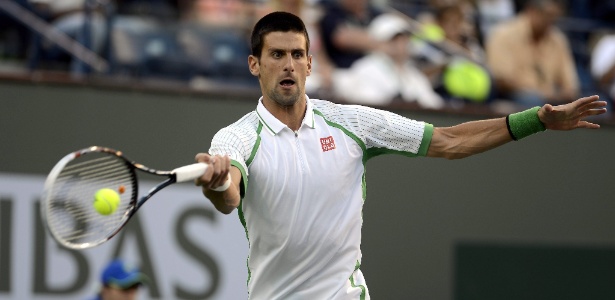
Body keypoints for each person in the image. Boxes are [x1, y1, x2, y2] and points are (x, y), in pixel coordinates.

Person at [194, 11, 607, 299]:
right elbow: (230, 196)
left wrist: (535, 120)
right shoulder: (236, 138)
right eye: (276, 55)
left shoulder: (352, 121)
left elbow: (449, 142)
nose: (288, 64)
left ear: (309, 63)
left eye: (297, 54)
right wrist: (216, 182)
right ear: (254, 64)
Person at [333, 13, 445, 109]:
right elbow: (367, 103)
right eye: (393, 39)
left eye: (403, 39)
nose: (400, 45)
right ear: (379, 41)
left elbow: (434, 104)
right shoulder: (365, 68)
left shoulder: (412, 74)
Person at [485, 0, 579, 108]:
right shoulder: (503, 34)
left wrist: (563, 95)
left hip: (549, 98)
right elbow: (502, 79)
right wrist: (540, 93)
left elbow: (570, 85)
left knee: (589, 102)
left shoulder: (558, 39)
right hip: (512, 96)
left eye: (554, 18)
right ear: (531, 11)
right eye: (547, 15)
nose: (550, 21)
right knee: (532, 101)